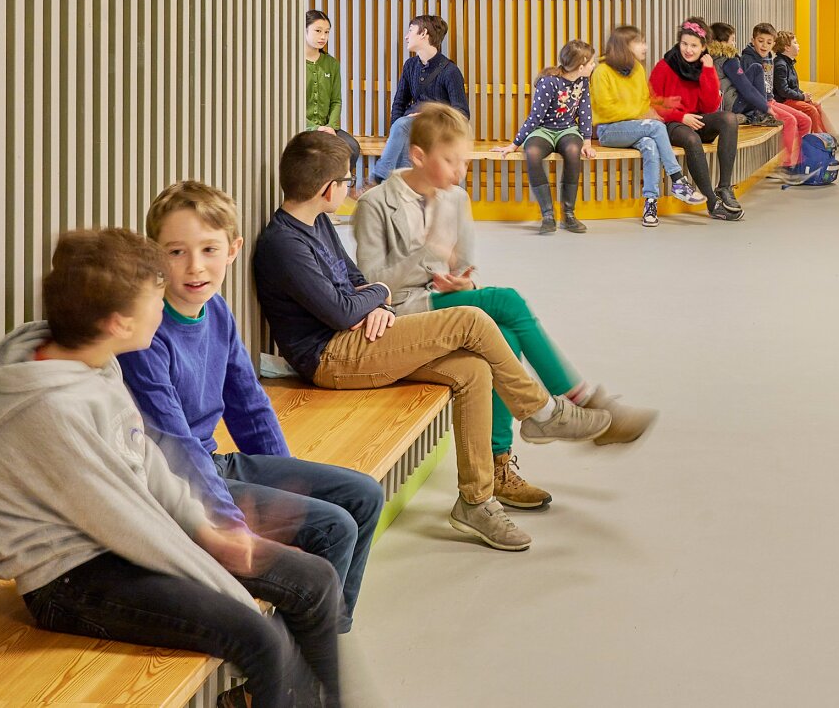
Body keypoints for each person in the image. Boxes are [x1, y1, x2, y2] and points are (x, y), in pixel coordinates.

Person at [0, 229, 343, 708]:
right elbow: (127, 521)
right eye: (155, 298)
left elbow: (145, 458)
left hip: (123, 541)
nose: (163, 308)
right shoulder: (53, 410)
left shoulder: (89, 359)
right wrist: (221, 575)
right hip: (71, 581)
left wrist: (209, 530)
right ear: (119, 323)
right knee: (260, 637)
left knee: (315, 582)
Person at [253, 129, 622, 553]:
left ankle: (476, 501)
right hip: (332, 358)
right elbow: (341, 310)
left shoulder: (315, 222)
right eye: (345, 181)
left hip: (361, 338)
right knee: (470, 319)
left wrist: (371, 303)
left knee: (473, 369)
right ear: (326, 189)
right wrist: (381, 296)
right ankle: (540, 410)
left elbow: (355, 281)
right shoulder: (283, 244)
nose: (349, 187)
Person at [352, 102, 656, 510]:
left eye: (463, 160)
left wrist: (463, 280)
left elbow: (464, 267)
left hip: (444, 302)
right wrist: (428, 254)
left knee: (507, 337)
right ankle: (573, 403)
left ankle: (499, 465)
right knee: (507, 301)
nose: (460, 171)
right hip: (401, 315)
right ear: (418, 156)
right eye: (450, 161)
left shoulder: (456, 199)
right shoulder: (375, 204)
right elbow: (374, 285)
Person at [121, 181, 382, 631]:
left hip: (214, 465)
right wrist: (231, 523)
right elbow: (174, 446)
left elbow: (249, 406)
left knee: (364, 495)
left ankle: (319, 644)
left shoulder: (217, 310)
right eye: (176, 251)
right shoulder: (148, 334)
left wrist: (291, 494)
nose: (195, 266)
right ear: (153, 254)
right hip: (173, 484)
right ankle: (297, 673)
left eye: (208, 249)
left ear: (234, 249)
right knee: (333, 529)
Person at [589, 24, 705, 227]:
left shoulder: (637, 70)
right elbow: (605, 110)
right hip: (609, 130)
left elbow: (644, 102)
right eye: (640, 42)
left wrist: (664, 104)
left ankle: (650, 204)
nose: (645, 47)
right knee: (656, 127)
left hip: (634, 127)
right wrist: (643, 114)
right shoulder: (602, 72)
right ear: (624, 46)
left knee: (650, 145)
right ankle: (678, 180)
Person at [500, 41, 598, 236]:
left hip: (567, 129)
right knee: (533, 153)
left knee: (572, 151)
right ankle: (547, 215)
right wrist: (514, 144)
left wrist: (587, 141)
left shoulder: (583, 81)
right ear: (581, 67)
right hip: (543, 130)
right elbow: (535, 117)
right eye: (591, 63)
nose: (594, 66)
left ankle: (569, 214)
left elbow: (585, 110)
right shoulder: (549, 82)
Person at [651, 18, 744, 221]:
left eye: (694, 45)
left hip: (696, 119)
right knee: (691, 138)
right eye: (684, 44)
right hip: (672, 123)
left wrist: (709, 71)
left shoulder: (704, 66)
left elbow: (710, 106)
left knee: (729, 119)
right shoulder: (665, 66)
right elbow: (653, 103)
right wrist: (681, 116)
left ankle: (724, 188)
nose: (688, 50)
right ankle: (712, 203)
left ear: (703, 47)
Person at [369, 13, 469, 183]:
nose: (406, 36)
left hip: (437, 129)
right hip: (410, 128)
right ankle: (404, 192)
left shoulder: (450, 71)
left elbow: (462, 113)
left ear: (423, 34)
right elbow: (399, 102)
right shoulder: (410, 66)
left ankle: (379, 178)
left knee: (403, 126)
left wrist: (428, 116)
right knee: (403, 133)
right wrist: (395, 133)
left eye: (410, 30)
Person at [713, 21, 808, 169]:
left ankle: (799, 159)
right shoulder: (730, 60)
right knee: (790, 120)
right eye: (732, 40)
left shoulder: (715, 58)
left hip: (739, 103)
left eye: (769, 42)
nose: (735, 43)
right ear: (723, 42)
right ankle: (790, 164)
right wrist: (764, 107)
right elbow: (746, 88)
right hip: (736, 105)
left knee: (805, 120)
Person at [756, 23, 839, 149]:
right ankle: (821, 142)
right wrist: (802, 97)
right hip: (784, 101)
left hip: (790, 98)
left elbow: (794, 86)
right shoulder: (780, 65)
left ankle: (831, 136)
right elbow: (783, 91)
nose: (798, 46)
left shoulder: (788, 63)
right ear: (787, 47)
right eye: (795, 43)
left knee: (816, 105)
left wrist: (804, 95)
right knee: (811, 110)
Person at [303, 9, 363, 180]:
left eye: (327, 32)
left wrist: (330, 127)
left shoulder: (332, 64)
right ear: (304, 30)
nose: (323, 37)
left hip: (328, 127)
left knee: (351, 147)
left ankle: (332, 191)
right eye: (318, 31)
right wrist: (314, 128)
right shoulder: (293, 63)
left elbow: (336, 101)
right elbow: (289, 105)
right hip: (301, 126)